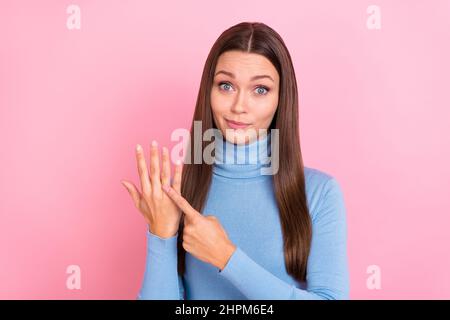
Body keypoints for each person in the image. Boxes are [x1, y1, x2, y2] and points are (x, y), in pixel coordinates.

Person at [121, 21, 349, 300]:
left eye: (260, 90)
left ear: (281, 98)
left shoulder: (319, 192)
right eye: (226, 85)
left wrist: (227, 258)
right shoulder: (178, 193)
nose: (239, 106)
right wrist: (161, 234)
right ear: (209, 90)